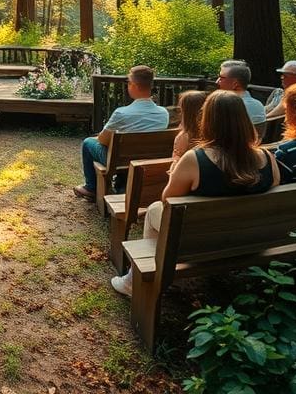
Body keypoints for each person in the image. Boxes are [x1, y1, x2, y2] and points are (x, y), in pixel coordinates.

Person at [111, 90, 280, 296]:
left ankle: (136, 281)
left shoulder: (195, 159)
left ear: (207, 120)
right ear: (244, 120)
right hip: (251, 239)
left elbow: (168, 199)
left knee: (156, 209)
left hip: (200, 241)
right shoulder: (268, 158)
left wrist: (175, 172)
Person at [74, 65, 169, 201]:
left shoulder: (122, 113)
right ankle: (121, 185)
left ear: (134, 85)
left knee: (89, 142)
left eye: (128, 82)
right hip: (147, 160)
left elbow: (103, 141)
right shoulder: (163, 113)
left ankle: (91, 188)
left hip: (121, 160)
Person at [216, 60, 267, 126]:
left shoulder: (224, 107)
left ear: (235, 84)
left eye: (221, 78)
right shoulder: (258, 105)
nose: (217, 82)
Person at [168, 90, 208, 171]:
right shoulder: (211, 133)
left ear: (185, 112)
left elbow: (176, 163)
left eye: (180, 110)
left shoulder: (184, 136)